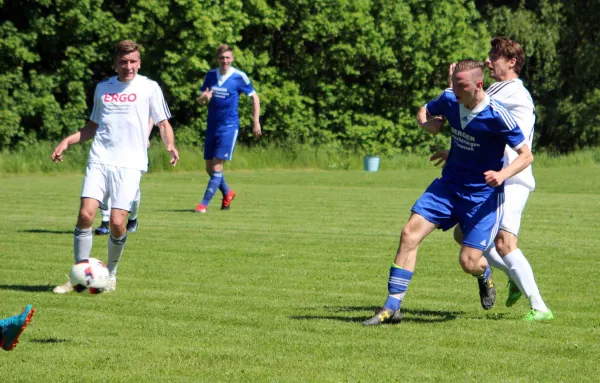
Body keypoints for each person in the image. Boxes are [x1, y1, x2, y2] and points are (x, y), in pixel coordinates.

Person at [363, 59, 533, 326]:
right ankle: (392, 307)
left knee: (468, 262)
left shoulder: (498, 115)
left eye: (460, 85)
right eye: (453, 83)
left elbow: (526, 156)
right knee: (409, 234)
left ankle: (484, 273)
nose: (454, 90)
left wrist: (501, 175)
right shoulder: (450, 98)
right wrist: (426, 124)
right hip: (448, 186)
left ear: (478, 85)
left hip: (482, 197)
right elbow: (425, 109)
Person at [432, 37, 552, 321]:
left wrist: (452, 83)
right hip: (493, 177)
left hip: (512, 177)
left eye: (494, 57)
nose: (488, 61)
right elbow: (476, 125)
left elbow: (470, 101)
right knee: (463, 235)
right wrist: (454, 152)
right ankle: (513, 274)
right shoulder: (501, 88)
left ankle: (540, 308)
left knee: (504, 243)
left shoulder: (511, 91)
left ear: (511, 63)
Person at [51, 40, 179, 293]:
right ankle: (78, 275)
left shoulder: (150, 88)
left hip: (131, 164)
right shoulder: (103, 88)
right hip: (100, 158)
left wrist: (170, 145)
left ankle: (111, 275)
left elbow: (163, 123)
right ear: (116, 63)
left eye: (132, 61)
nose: (128, 66)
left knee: (118, 222)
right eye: (123, 62)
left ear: (139, 63)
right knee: (86, 214)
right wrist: (68, 140)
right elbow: (92, 126)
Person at [195, 44, 262, 213]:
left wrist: (256, 121)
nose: (225, 61)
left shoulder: (239, 77)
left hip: (229, 127)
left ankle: (203, 204)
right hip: (212, 126)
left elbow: (254, 97)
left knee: (217, 166)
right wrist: (203, 98)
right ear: (217, 59)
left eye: (228, 58)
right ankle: (228, 192)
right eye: (222, 58)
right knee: (209, 168)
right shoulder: (211, 75)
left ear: (232, 58)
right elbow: (201, 100)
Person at [95, 117, 154, 235]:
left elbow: (152, 114)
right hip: (112, 147)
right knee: (105, 186)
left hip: (135, 148)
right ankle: (105, 223)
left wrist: (146, 135)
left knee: (133, 189)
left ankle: (133, 219)